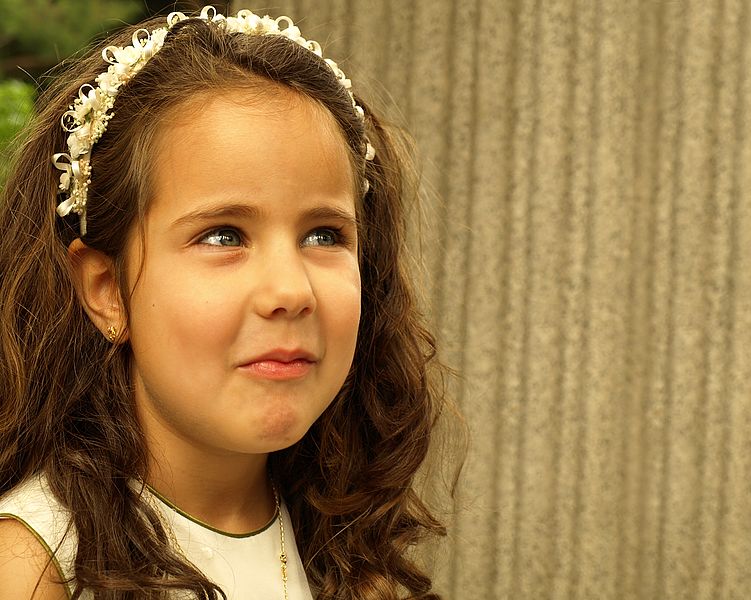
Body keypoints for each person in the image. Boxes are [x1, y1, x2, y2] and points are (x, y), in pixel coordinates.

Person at [0, 6, 454, 599]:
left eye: (324, 235)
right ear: (106, 290)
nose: (290, 291)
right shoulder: (37, 566)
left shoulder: (348, 558)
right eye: (223, 236)